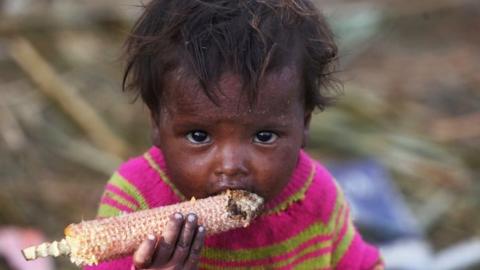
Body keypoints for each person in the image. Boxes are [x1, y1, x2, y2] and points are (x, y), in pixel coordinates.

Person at [85, 0, 383, 269]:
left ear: (304, 125)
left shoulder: (316, 195)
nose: (230, 165)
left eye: (264, 136)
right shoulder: (136, 197)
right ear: (156, 126)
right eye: (199, 136)